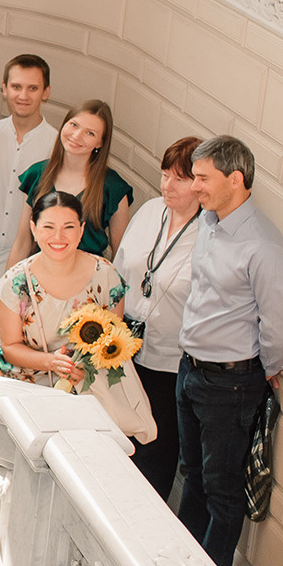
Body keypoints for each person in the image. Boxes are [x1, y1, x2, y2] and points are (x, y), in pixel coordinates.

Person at [176, 135, 283, 566]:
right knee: (193, 479)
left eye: (203, 178)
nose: (194, 187)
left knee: (222, 492)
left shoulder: (262, 245)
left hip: (229, 383)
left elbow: (278, 324)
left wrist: (267, 369)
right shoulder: (209, 223)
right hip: (190, 371)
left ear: (236, 179)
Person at [0, 192, 154, 441]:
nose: (58, 237)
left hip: (84, 397)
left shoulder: (105, 275)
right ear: (33, 228)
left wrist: (85, 368)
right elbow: (10, 346)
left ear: (81, 230)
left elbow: (114, 338)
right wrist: (51, 362)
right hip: (24, 391)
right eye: (48, 227)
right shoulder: (15, 282)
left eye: (68, 227)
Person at [111, 137, 203, 497]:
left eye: (179, 179)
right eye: (165, 175)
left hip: (170, 361)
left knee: (157, 453)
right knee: (118, 440)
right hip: (125, 349)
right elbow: (120, 273)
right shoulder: (150, 211)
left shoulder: (208, 233)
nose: (167, 185)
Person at [0, 54, 56, 355]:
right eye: (16, 86)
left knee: (11, 357)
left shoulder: (57, 145)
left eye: (32, 88)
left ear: (46, 91)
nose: (23, 95)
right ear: (4, 88)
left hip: (27, 276)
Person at [6, 100, 133, 267]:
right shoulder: (37, 174)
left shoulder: (113, 187)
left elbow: (120, 256)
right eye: (74, 125)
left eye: (90, 133)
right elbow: (23, 243)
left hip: (88, 284)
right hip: (40, 279)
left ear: (100, 143)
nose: (77, 135)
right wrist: (7, 290)